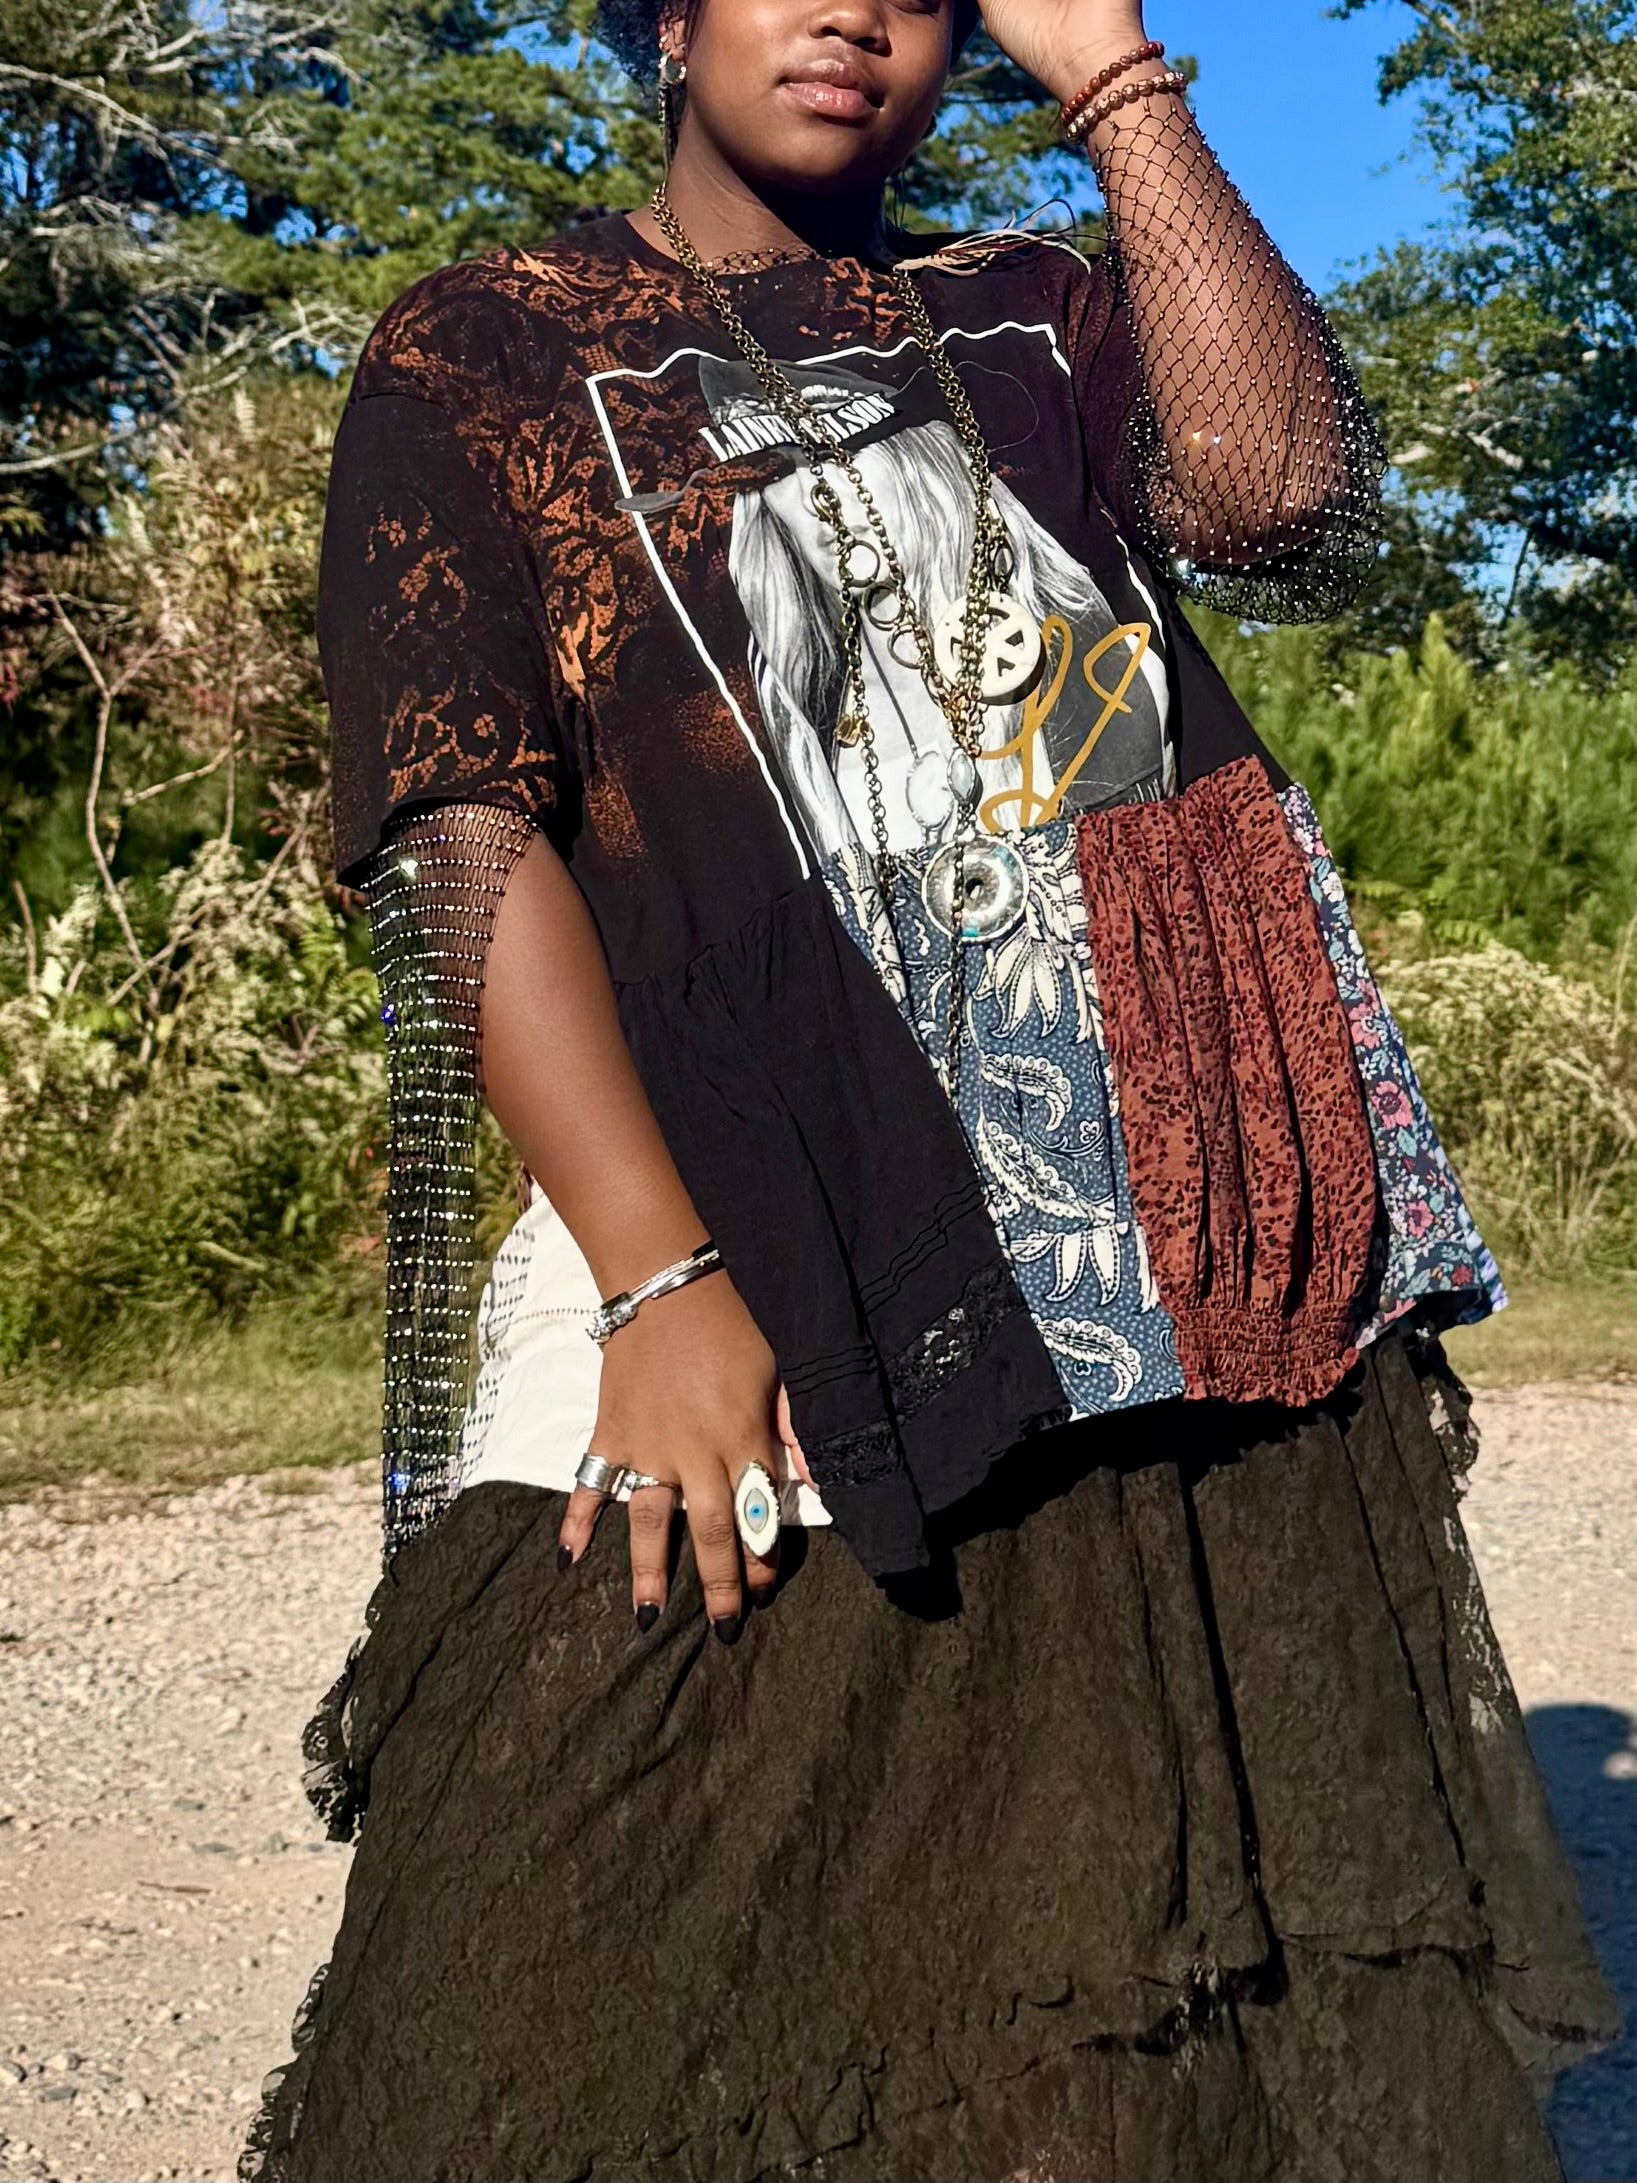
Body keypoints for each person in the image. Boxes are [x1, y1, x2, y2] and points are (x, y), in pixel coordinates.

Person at [241, 1, 1617, 2176]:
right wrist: (654, 1271)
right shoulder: (485, 349)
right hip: (753, 1168)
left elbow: (1277, 494)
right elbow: (460, 833)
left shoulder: (1033, 309)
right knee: (590, 1862)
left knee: (1125, 1897)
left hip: (1158, 1188)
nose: (853, 12)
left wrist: (1110, 74)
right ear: (667, 19)